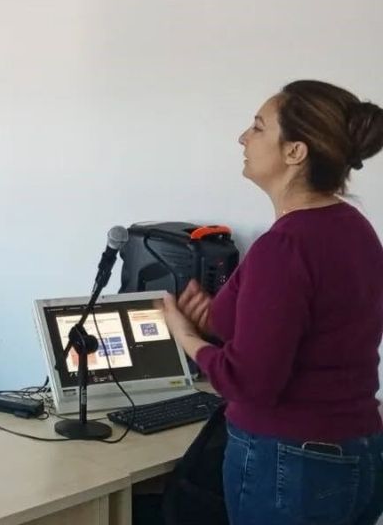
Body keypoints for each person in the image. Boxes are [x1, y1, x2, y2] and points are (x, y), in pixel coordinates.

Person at [161, 81, 383, 525]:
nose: (243, 138)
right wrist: (216, 321)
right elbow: (316, 333)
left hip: (292, 464)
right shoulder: (352, 228)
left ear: (295, 152)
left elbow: (249, 384)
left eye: (258, 127)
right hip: (357, 451)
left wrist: (184, 336)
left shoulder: (285, 247)